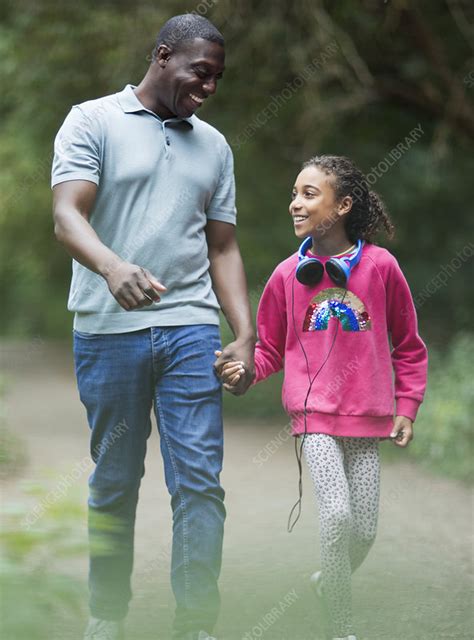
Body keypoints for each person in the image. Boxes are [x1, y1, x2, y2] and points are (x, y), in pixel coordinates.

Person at [51, 14, 255, 640]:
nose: (209, 87)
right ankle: (106, 616)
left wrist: (242, 333)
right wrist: (112, 266)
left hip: (191, 326)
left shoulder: (214, 146)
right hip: (107, 329)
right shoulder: (91, 121)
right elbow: (66, 214)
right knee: (114, 479)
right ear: (163, 55)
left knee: (198, 479)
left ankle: (197, 624)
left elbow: (222, 247)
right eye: (201, 72)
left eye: (218, 77)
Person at [216, 155, 428, 640]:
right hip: (313, 418)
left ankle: (323, 583)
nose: (295, 203)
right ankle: (341, 628)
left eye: (309, 194)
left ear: (344, 205)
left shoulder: (381, 267)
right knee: (336, 514)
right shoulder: (287, 275)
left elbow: (409, 346)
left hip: (368, 418)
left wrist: (407, 407)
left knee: (364, 531)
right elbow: (267, 348)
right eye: (294, 193)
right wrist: (244, 373)